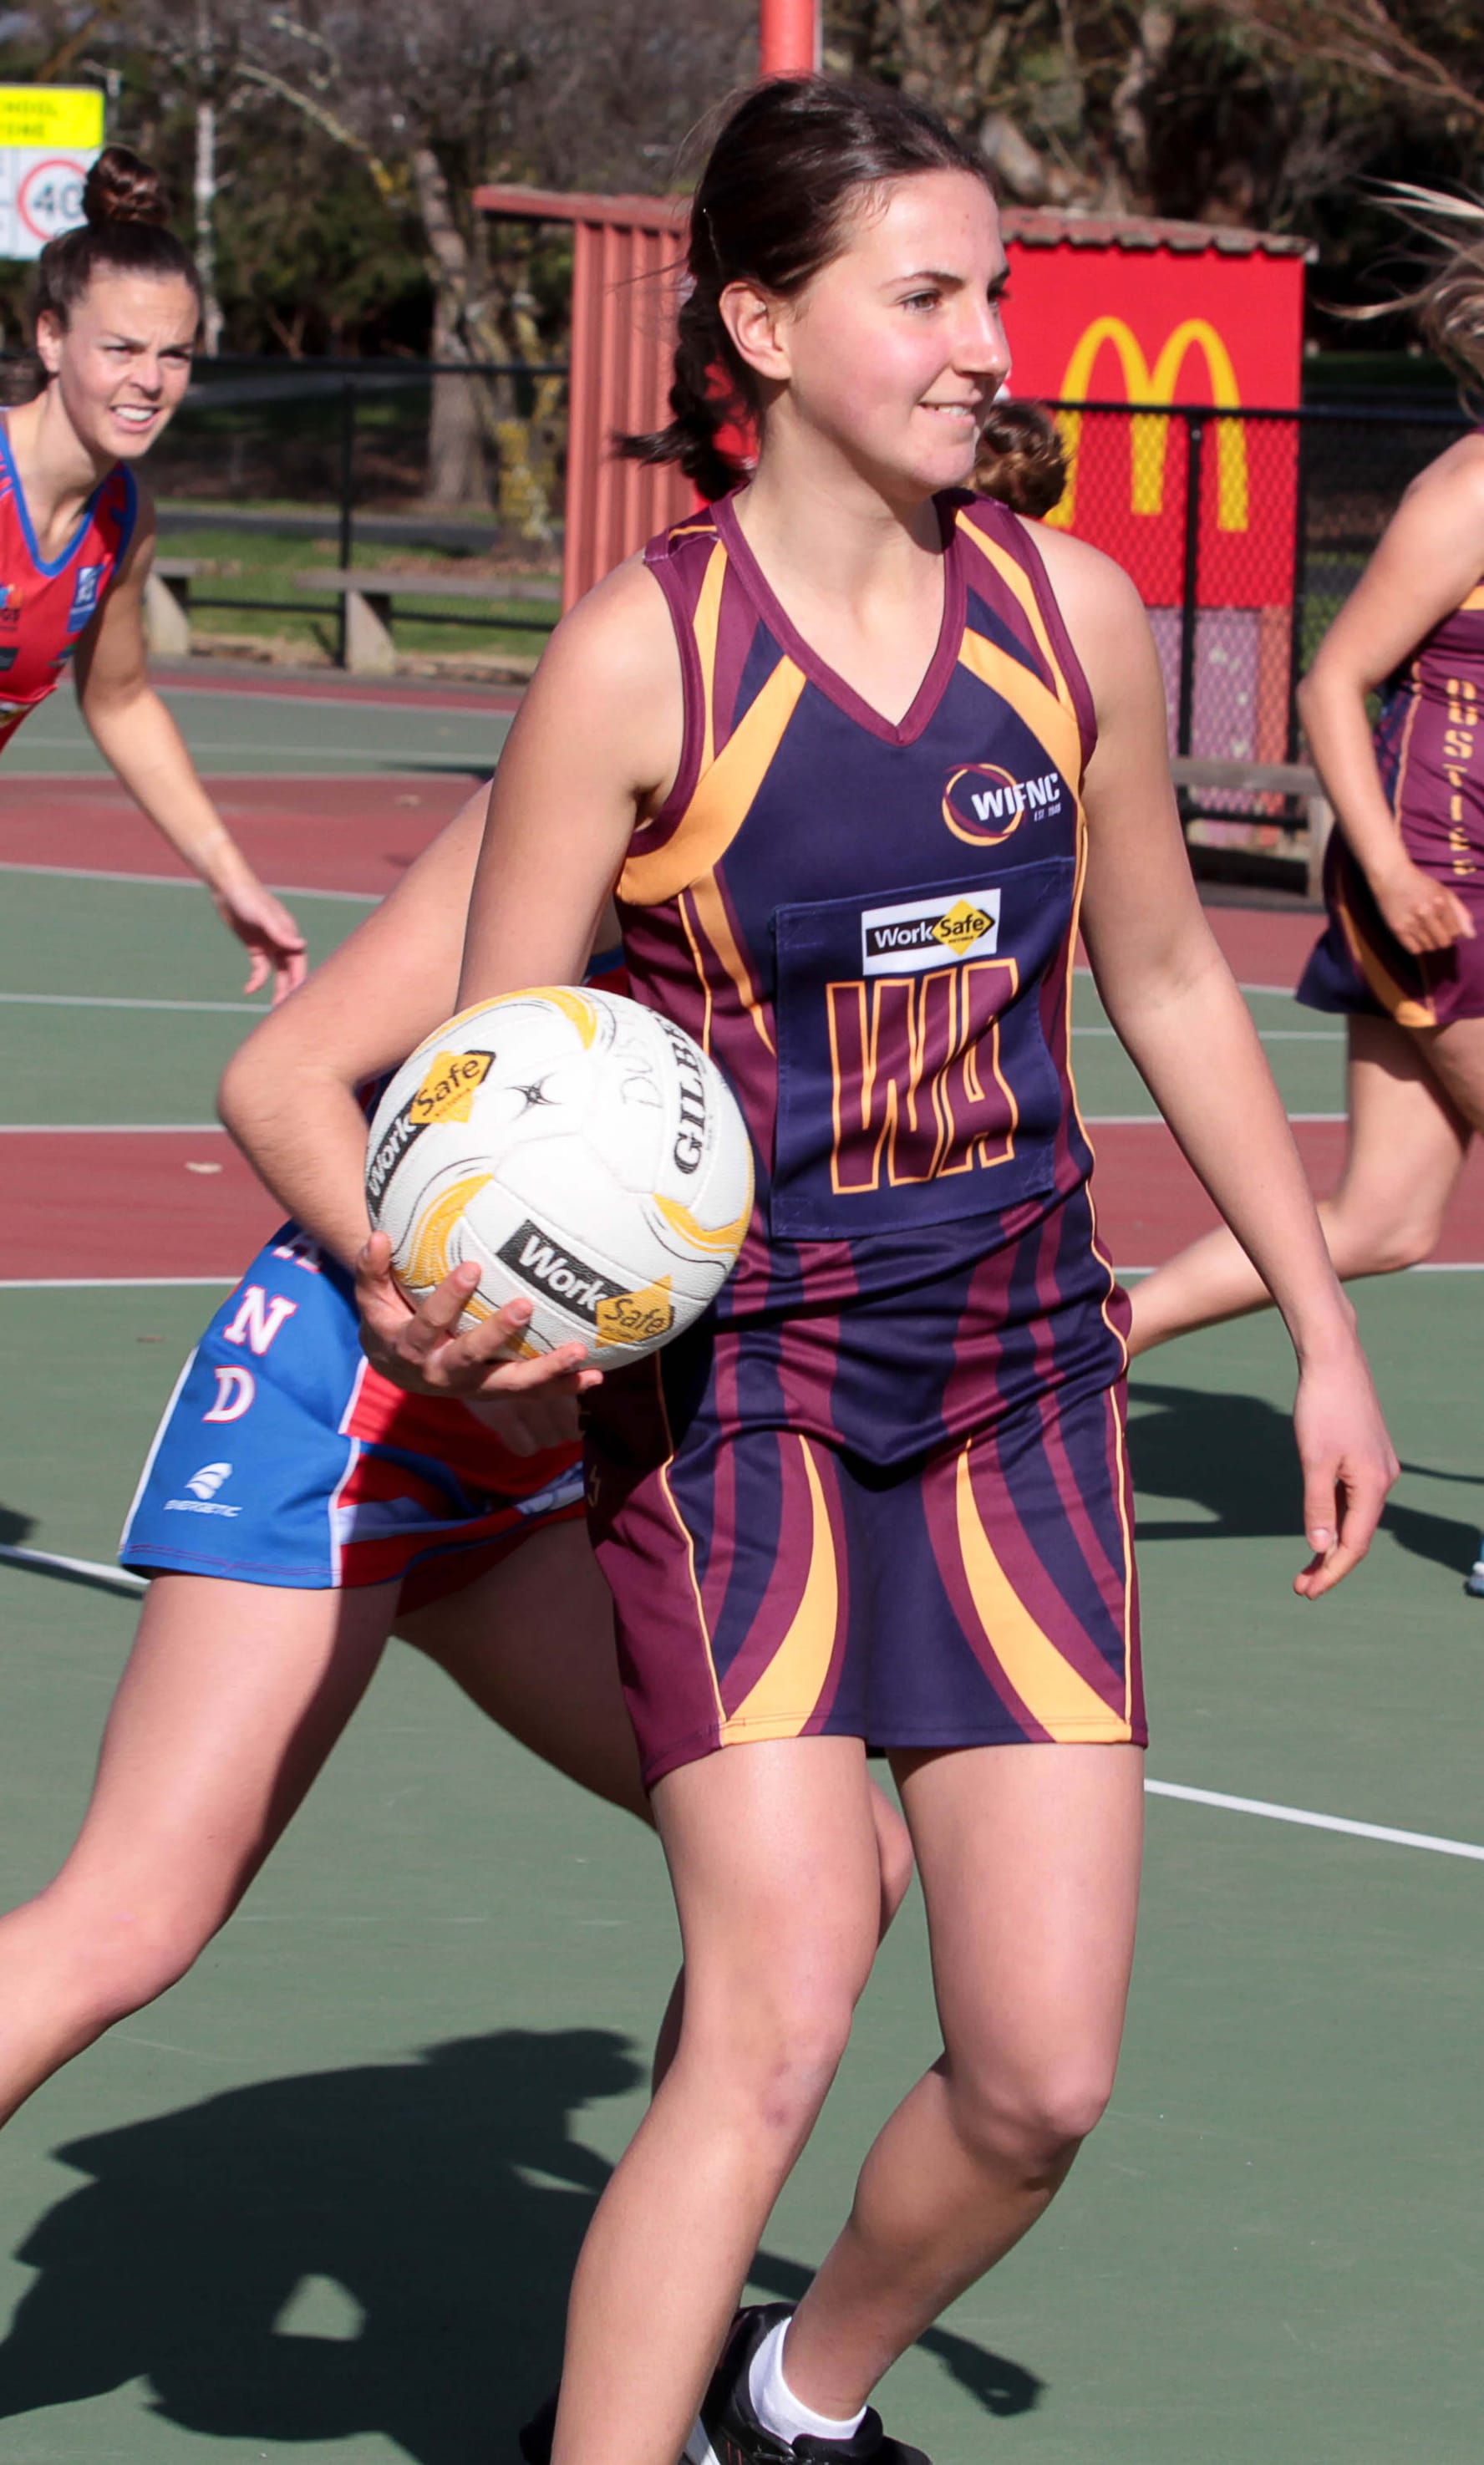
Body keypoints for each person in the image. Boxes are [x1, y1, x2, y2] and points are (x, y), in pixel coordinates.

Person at [358, 77, 1395, 2465]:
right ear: (763, 323)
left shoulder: (1073, 616)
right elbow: (479, 1096)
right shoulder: (641, 663)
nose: (979, 343)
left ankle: (792, 2400)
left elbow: (1164, 971)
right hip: (743, 1414)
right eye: (924, 295)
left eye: (990, 293)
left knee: (1040, 2071)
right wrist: (456, 1316)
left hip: (1024, 1385)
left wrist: (1324, 1325)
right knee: (783, 2010)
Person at [0, 775, 913, 2132]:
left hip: (541, 1470)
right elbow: (276, 1079)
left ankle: (662, 2293)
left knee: (838, 1873)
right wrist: (411, 1302)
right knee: (130, 1923)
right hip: (349, 1423)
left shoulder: (929, 801)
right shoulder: (626, 764)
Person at [1129, 193, 1484, 1604]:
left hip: (1464, 873)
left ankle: (1088, 1337)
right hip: (1444, 873)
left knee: (1384, 1220)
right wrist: (1386, 867)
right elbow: (1332, 678)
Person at [1, 144, 304, 997]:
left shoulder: (121, 518)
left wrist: (227, 872)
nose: (149, 381)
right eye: (123, 348)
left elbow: (121, 699)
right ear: (52, 337)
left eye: (175, 354)